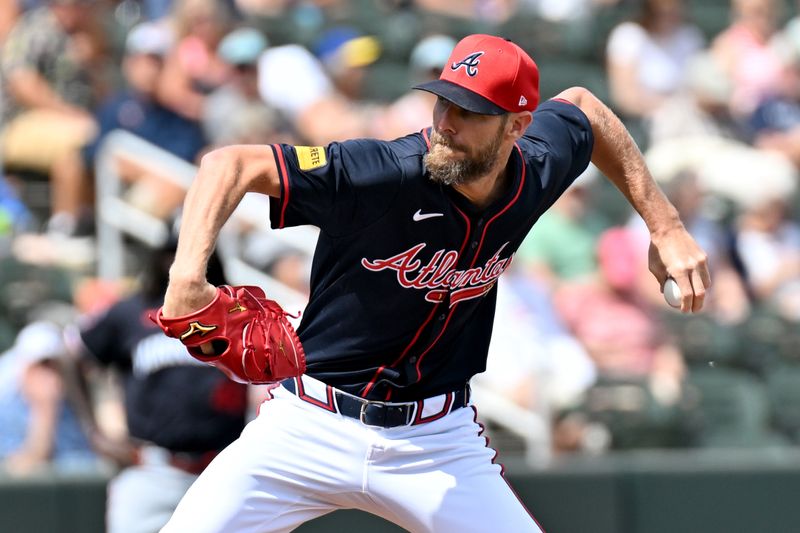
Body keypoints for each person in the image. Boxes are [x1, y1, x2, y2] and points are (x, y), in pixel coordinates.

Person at [159, 34, 710, 532]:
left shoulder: (538, 168)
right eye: (444, 100)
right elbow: (227, 164)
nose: (446, 121)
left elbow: (587, 110)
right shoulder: (381, 171)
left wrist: (667, 226)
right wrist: (188, 277)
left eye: (470, 111)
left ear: (517, 126)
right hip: (308, 425)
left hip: (435, 442)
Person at [64, 235, 248, 533]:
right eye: (170, 253)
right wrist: (93, 431)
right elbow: (73, 355)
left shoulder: (237, 313)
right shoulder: (129, 312)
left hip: (223, 470)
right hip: (151, 469)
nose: (180, 262)